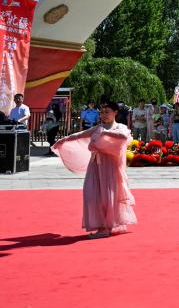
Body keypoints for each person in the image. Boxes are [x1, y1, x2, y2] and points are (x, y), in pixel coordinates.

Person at [51, 100, 136, 238]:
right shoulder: (98, 128)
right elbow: (80, 134)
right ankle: (102, 226)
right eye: (102, 112)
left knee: (108, 196)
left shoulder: (120, 128)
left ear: (115, 112)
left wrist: (106, 133)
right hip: (95, 166)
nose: (104, 115)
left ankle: (105, 228)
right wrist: (64, 140)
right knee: (91, 195)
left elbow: (123, 137)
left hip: (111, 168)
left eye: (107, 112)